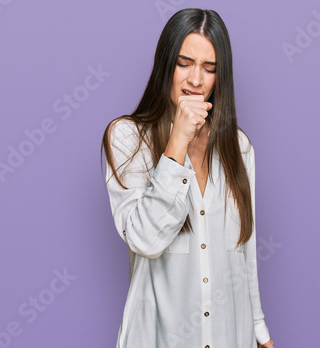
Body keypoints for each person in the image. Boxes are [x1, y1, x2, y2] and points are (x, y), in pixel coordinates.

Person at [101, 8, 275, 348]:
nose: (196, 80)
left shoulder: (239, 148)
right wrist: (177, 142)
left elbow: (244, 251)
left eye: (209, 69)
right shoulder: (126, 138)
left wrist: (260, 330)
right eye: (184, 63)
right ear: (165, 63)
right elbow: (144, 239)